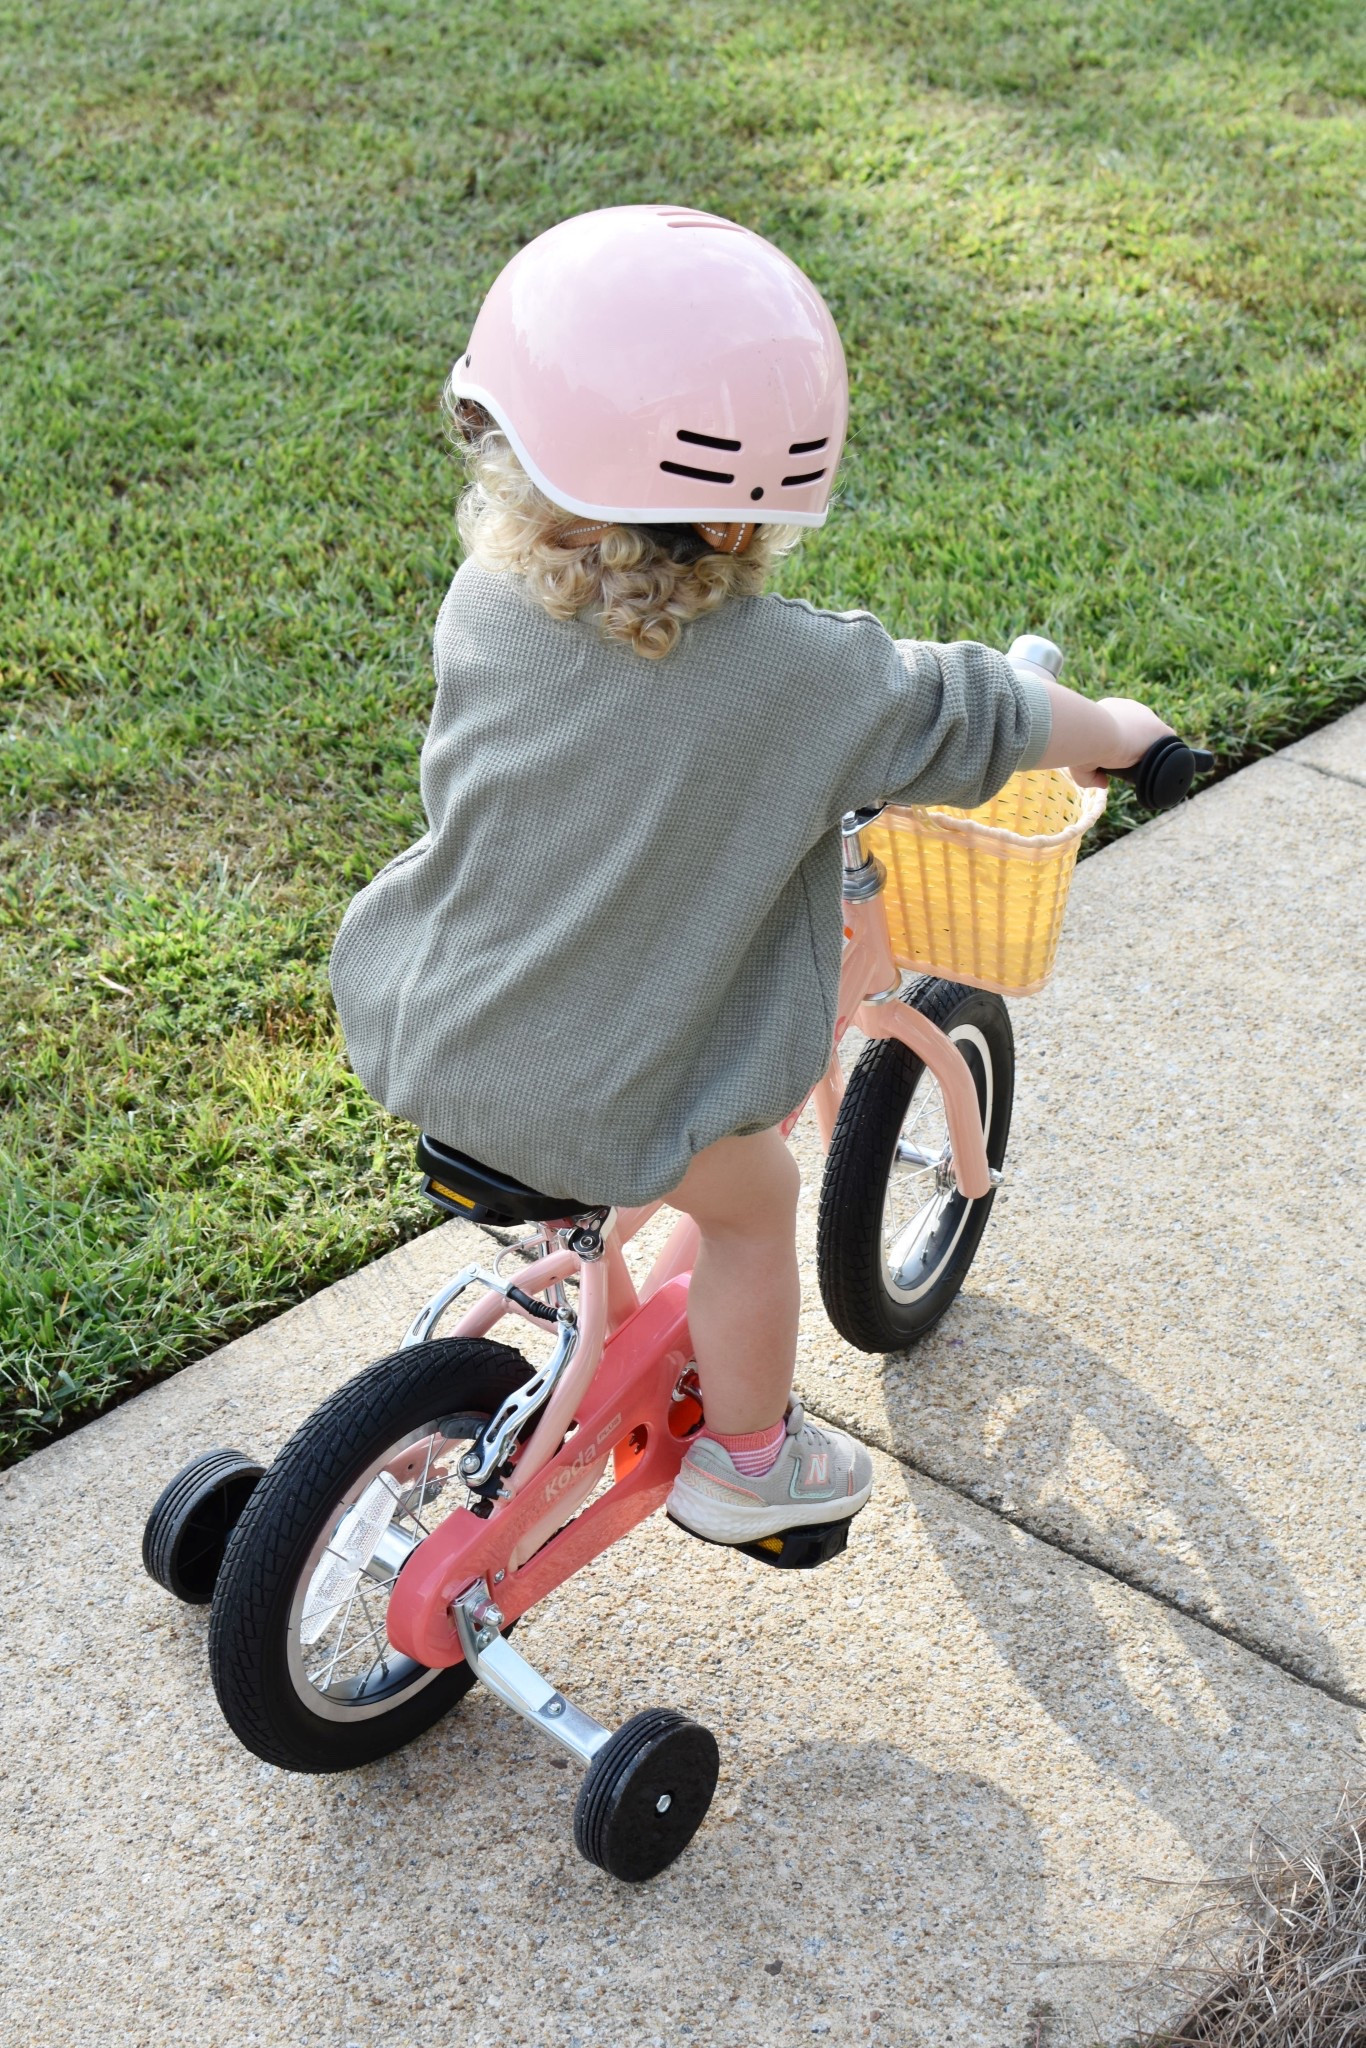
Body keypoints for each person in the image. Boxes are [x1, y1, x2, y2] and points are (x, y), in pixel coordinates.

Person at [330, 205, 1172, 1548]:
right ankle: (748, 1460)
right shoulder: (812, 683)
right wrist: (1117, 731)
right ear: (758, 496)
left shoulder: (486, 600)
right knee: (759, 1201)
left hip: (420, 1013)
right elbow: (970, 711)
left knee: (635, 1106)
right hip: (590, 1093)